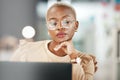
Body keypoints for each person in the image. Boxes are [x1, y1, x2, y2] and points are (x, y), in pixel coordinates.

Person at [11, 2, 97, 80]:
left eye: (66, 22)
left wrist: (73, 57)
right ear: (48, 28)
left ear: (76, 25)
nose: (59, 27)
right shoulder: (26, 51)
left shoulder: (86, 61)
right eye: (53, 23)